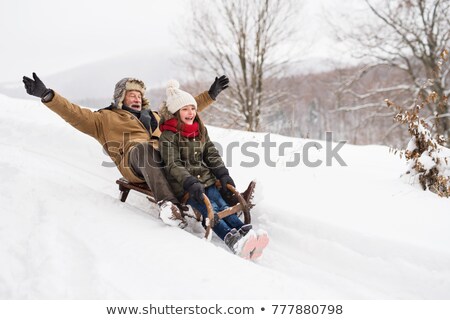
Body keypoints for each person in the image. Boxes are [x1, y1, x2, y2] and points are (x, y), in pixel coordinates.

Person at [22, 72, 229, 228]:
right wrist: (48, 95)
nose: (137, 98)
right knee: (144, 149)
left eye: (139, 95)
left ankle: (224, 193)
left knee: (188, 148)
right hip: (134, 160)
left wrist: (210, 95)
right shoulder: (104, 118)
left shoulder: (155, 116)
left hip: (164, 158)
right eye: (131, 94)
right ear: (120, 97)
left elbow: (184, 110)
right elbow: (74, 113)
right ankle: (168, 205)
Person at [158, 79, 269, 259]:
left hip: (207, 180)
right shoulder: (168, 136)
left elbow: (211, 153)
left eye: (192, 108)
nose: (190, 113)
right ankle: (230, 238)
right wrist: (189, 181)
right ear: (176, 112)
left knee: (222, 205)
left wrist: (222, 174)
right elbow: (173, 164)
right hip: (187, 186)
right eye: (185, 109)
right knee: (212, 211)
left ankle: (245, 232)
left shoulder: (199, 129)